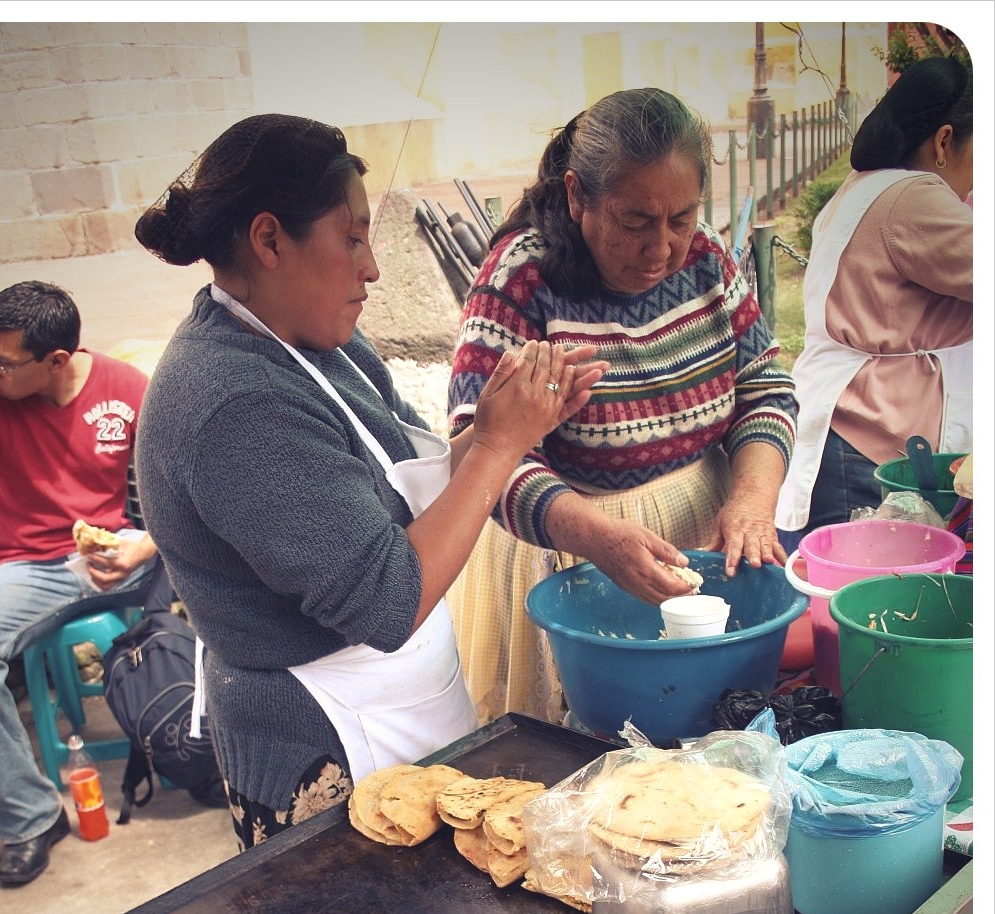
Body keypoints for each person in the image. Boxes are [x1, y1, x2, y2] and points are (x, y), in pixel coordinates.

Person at [133, 114, 606, 850]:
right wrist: (499, 448)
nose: (372, 267)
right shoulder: (232, 401)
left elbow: (398, 484)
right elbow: (388, 600)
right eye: (352, 237)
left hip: (406, 699)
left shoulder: (317, 340)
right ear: (268, 240)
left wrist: (503, 425)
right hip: (324, 739)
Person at [446, 88, 798, 725]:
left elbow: (765, 386)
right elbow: (480, 455)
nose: (662, 248)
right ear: (578, 194)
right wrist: (590, 536)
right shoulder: (521, 282)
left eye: (681, 218)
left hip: (700, 540)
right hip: (570, 562)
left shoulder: (708, 260)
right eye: (635, 222)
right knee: (585, 762)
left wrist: (751, 498)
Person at [0, 282, 158, 886]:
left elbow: (185, 492)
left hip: (117, 551)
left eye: (5, 362)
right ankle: (32, 819)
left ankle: (192, 745)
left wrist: (144, 545)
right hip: (30, 564)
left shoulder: (125, 387)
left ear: (57, 361)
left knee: (208, 573)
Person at [776, 57, 972, 538]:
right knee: (865, 599)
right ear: (944, 141)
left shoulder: (865, 186)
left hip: (846, 425)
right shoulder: (914, 198)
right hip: (870, 439)